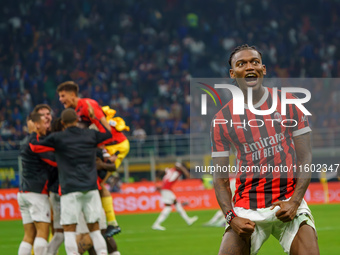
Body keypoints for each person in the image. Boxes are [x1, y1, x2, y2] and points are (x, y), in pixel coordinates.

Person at [211, 44, 319, 255]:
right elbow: (220, 177)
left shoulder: (289, 103)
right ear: (233, 73)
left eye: (255, 62)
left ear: (263, 69)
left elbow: (305, 158)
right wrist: (231, 217)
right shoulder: (222, 120)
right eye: (241, 64)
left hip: (288, 200)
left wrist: (295, 202)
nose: (249, 66)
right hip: (246, 208)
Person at [30, 108, 112, 255]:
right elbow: (108, 134)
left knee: (69, 230)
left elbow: (35, 146)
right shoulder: (90, 134)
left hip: (69, 190)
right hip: (91, 188)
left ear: (62, 122)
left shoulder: (58, 138)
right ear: (77, 120)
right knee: (95, 230)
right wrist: (95, 119)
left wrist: (34, 131)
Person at [17, 112, 57, 255]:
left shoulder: (25, 141)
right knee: (42, 233)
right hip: (36, 193)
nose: (47, 125)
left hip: (23, 192)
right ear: (36, 124)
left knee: (29, 236)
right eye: (44, 121)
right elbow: (54, 161)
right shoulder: (36, 142)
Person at [99, 106, 131, 237]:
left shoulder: (103, 119)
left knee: (99, 183)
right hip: (115, 145)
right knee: (98, 183)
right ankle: (111, 221)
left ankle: (112, 222)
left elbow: (118, 125)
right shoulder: (103, 119)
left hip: (116, 146)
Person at [152, 162, 198, 231]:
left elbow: (162, 170)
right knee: (168, 207)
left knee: (177, 204)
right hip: (166, 190)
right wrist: (183, 169)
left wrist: (157, 178)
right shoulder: (178, 171)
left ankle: (188, 220)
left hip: (166, 189)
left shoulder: (170, 170)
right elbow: (187, 175)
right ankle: (156, 224)